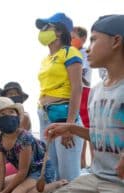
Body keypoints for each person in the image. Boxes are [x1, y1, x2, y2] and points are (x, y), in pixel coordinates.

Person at [45, 15, 124, 193]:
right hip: (95, 177)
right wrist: (72, 128)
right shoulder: (95, 91)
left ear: (116, 41)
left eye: (94, 40)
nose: (88, 49)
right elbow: (102, 136)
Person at [36, 12, 83, 181]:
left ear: (60, 32)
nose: (42, 30)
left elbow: (77, 88)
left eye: (47, 27)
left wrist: (70, 126)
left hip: (64, 116)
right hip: (44, 114)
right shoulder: (46, 59)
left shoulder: (71, 53)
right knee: (52, 170)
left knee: (68, 174)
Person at [0, 97, 67, 193]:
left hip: (42, 172)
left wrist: (5, 192)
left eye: (11, 112)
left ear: (17, 116)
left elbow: (22, 171)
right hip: (27, 173)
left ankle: (56, 184)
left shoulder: (24, 137)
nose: (8, 116)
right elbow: (1, 167)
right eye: (2, 114)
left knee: (17, 192)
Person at [71, 26, 94, 169]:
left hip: (83, 91)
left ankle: (94, 162)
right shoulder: (71, 53)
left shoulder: (84, 52)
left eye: (73, 37)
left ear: (83, 38)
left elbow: (81, 75)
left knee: (87, 126)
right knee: (78, 126)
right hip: (73, 91)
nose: (71, 40)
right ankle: (81, 162)